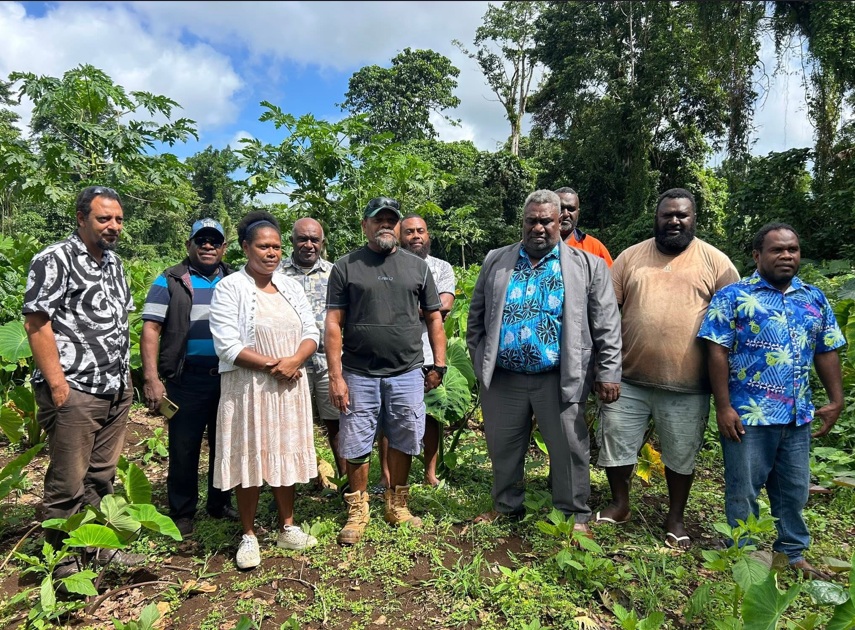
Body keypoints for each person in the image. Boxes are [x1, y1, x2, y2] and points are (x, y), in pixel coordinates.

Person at [467, 189, 622, 535]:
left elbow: (607, 325)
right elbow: (476, 316)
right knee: (503, 446)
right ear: (522, 222)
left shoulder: (588, 266)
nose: (539, 227)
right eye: (532, 221)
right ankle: (506, 505)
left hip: (559, 376)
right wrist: (481, 361)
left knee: (569, 447)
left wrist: (609, 371)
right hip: (505, 378)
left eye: (546, 221)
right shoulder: (497, 260)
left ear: (560, 221)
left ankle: (573, 514)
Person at [595, 188, 739, 549]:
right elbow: (607, 314)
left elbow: (733, 323)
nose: (674, 221)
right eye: (667, 215)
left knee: (680, 452)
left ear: (694, 219)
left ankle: (675, 517)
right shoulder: (631, 257)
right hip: (627, 378)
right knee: (616, 442)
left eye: (682, 215)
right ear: (656, 218)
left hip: (688, 384)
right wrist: (605, 368)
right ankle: (620, 504)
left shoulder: (716, 262)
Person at [698, 222, 845, 579]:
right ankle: (744, 554)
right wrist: (723, 406)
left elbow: (826, 349)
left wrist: (836, 400)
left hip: (797, 415)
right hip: (748, 414)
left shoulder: (813, 298)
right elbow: (716, 351)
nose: (786, 256)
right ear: (757, 255)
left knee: (794, 490)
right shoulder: (734, 296)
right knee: (743, 490)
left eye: (792, 249)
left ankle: (792, 552)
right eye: (777, 250)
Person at [23, 185, 142, 574]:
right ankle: (62, 561)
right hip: (75, 387)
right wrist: (59, 385)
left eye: (118, 219)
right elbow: (37, 323)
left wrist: (126, 380)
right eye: (103, 218)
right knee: (67, 482)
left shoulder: (114, 263)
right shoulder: (55, 259)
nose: (113, 226)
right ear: (81, 218)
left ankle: (98, 546)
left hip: (114, 386)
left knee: (101, 475)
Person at [325, 196, 447, 545]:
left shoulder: (417, 267)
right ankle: (357, 509)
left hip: (407, 371)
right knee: (356, 440)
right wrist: (336, 376)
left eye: (391, 220)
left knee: (406, 435)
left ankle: (398, 505)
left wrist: (438, 364)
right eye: (377, 220)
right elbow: (333, 323)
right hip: (358, 372)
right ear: (364, 225)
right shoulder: (346, 266)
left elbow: (434, 317)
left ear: (398, 226)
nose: (385, 226)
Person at [209, 211, 320, 570]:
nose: (271, 252)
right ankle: (249, 534)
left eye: (276, 246)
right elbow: (227, 345)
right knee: (251, 454)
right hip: (249, 388)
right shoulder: (230, 288)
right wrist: (278, 366)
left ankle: (287, 526)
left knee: (284, 449)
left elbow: (311, 331)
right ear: (245, 248)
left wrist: (295, 360)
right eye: (263, 246)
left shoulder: (290, 286)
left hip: (288, 386)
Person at [140, 218, 239, 537]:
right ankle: (182, 511)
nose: (208, 246)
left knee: (225, 443)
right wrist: (151, 378)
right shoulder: (170, 279)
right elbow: (151, 328)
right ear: (189, 245)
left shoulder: (234, 279)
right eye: (201, 240)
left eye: (214, 241)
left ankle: (219, 503)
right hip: (186, 379)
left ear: (224, 247)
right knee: (184, 447)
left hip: (227, 377)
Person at [375, 213, 456, 489]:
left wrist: (405, 308)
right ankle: (386, 476)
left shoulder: (441, 267)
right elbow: (382, 307)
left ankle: (430, 473)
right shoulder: (385, 265)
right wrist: (427, 309)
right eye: (409, 231)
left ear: (428, 234)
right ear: (399, 236)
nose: (416, 236)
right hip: (394, 355)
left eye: (421, 230)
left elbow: (445, 305)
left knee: (431, 415)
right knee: (390, 416)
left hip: (429, 353)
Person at [279, 217, 345, 486]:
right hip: (291, 361)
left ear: (322, 242)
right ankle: (291, 485)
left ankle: (346, 484)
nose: (308, 245)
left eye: (314, 240)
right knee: (292, 425)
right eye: (302, 239)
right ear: (292, 241)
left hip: (329, 361)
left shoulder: (335, 272)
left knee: (337, 422)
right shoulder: (276, 273)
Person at [555, 186, 613, 266]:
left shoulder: (595, 247)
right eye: (560, 208)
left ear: (578, 213)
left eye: (571, 209)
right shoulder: (539, 246)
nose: (565, 214)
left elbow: (610, 273)